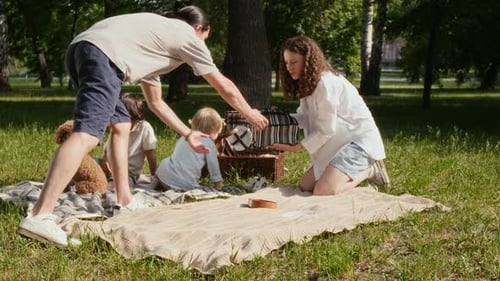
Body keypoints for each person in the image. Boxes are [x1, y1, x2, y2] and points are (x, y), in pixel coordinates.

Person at [17, 5, 269, 247]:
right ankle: (40, 215)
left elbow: (156, 102)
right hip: (102, 56)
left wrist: (188, 133)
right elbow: (223, 85)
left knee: (122, 124)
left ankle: (125, 199)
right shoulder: (187, 37)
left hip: (82, 50)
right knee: (87, 136)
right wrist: (250, 113)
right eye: (205, 38)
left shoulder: (156, 41)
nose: (203, 46)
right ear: (201, 29)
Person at [271, 35, 389, 196]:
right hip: (338, 143)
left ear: (307, 60)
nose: (289, 67)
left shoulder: (325, 83)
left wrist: (297, 147)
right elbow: (304, 117)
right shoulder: (309, 83)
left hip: (358, 143)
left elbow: (326, 130)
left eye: (294, 62)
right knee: (306, 187)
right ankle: (339, 172)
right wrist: (276, 118)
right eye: (286, 63)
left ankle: (369, 170)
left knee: (323, 191)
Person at [156, 107, 224, 191]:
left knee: (168, 161)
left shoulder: (185, 137)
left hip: (163, 176)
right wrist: (218, 183)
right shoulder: (209, 144)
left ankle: (159, 181)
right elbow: (213, 166)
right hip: (183, 184)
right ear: (215, 130)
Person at [100, 93, 158, 187]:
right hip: (109, 170)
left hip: (128, 174)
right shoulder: (116, 126)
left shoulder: (144, 128)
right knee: (85, 165)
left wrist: (154, 176)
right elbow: (107, 151)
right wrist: (104, 163)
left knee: (115, 185)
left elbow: (150, 154)